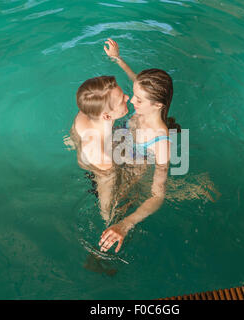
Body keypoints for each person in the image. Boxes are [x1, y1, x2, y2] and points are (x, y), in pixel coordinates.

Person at [99, 38, 181, 253]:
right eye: (134, 95)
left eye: (138, 100)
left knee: (110, 212)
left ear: (158, 105)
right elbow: (135, 80)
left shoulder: (161, 143)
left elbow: (157, 195)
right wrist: (118, 58)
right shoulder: (144, 99)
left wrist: (125, 225)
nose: (130, 101)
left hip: (135, 166)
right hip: (120, 142)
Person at [70, 75, 129, 222]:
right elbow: (106, 198)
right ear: (107, 116)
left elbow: (73, 135)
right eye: (122, 100)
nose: (128, 98)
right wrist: (109, 221)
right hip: (99, 170)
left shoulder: (86, 112)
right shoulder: (103, 156)